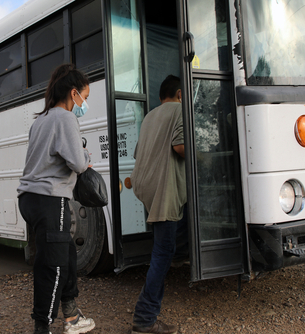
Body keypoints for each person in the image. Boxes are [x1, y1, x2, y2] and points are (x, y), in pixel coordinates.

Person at [17, 64, 96, 334]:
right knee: (54, 265)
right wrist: (86, 157)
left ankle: (72, 316)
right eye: (84, 97)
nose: (84, 103)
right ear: (73, 93)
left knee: (66, 256)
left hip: (30, 198)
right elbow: (76, 161)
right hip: (50, 199)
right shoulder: (64, 118)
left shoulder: (41, 119)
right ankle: (43, 326)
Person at [130, 75, 187, 334]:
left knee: (163, 250)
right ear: (178, 93)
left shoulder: (150, 116)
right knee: (163, 254)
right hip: (164, 189)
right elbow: (179, 147)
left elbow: (138, 152)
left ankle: (149, 312)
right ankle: (144, 317)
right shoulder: (180, 110)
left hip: (147, 188)